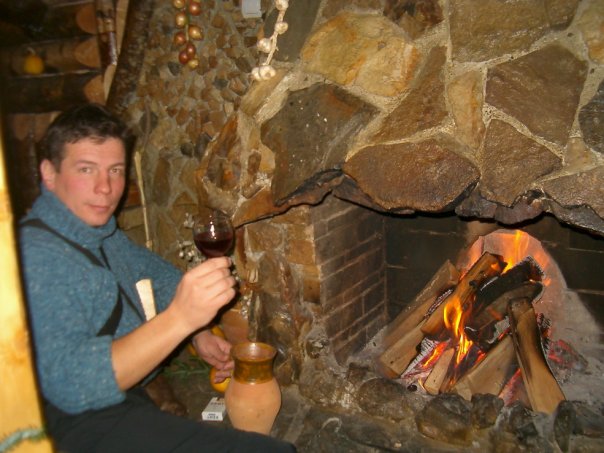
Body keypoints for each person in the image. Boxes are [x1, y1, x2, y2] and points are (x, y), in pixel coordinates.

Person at [18, 103, 296, 452]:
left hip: (123, 400)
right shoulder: (35, 256)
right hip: (71, 425)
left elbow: (158, 275)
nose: (105, 187)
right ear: (49, 173)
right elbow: (72, 386)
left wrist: (198, 334)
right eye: (86, 169)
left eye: (116, 170)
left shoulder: (99, 232)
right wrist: (180, 320)